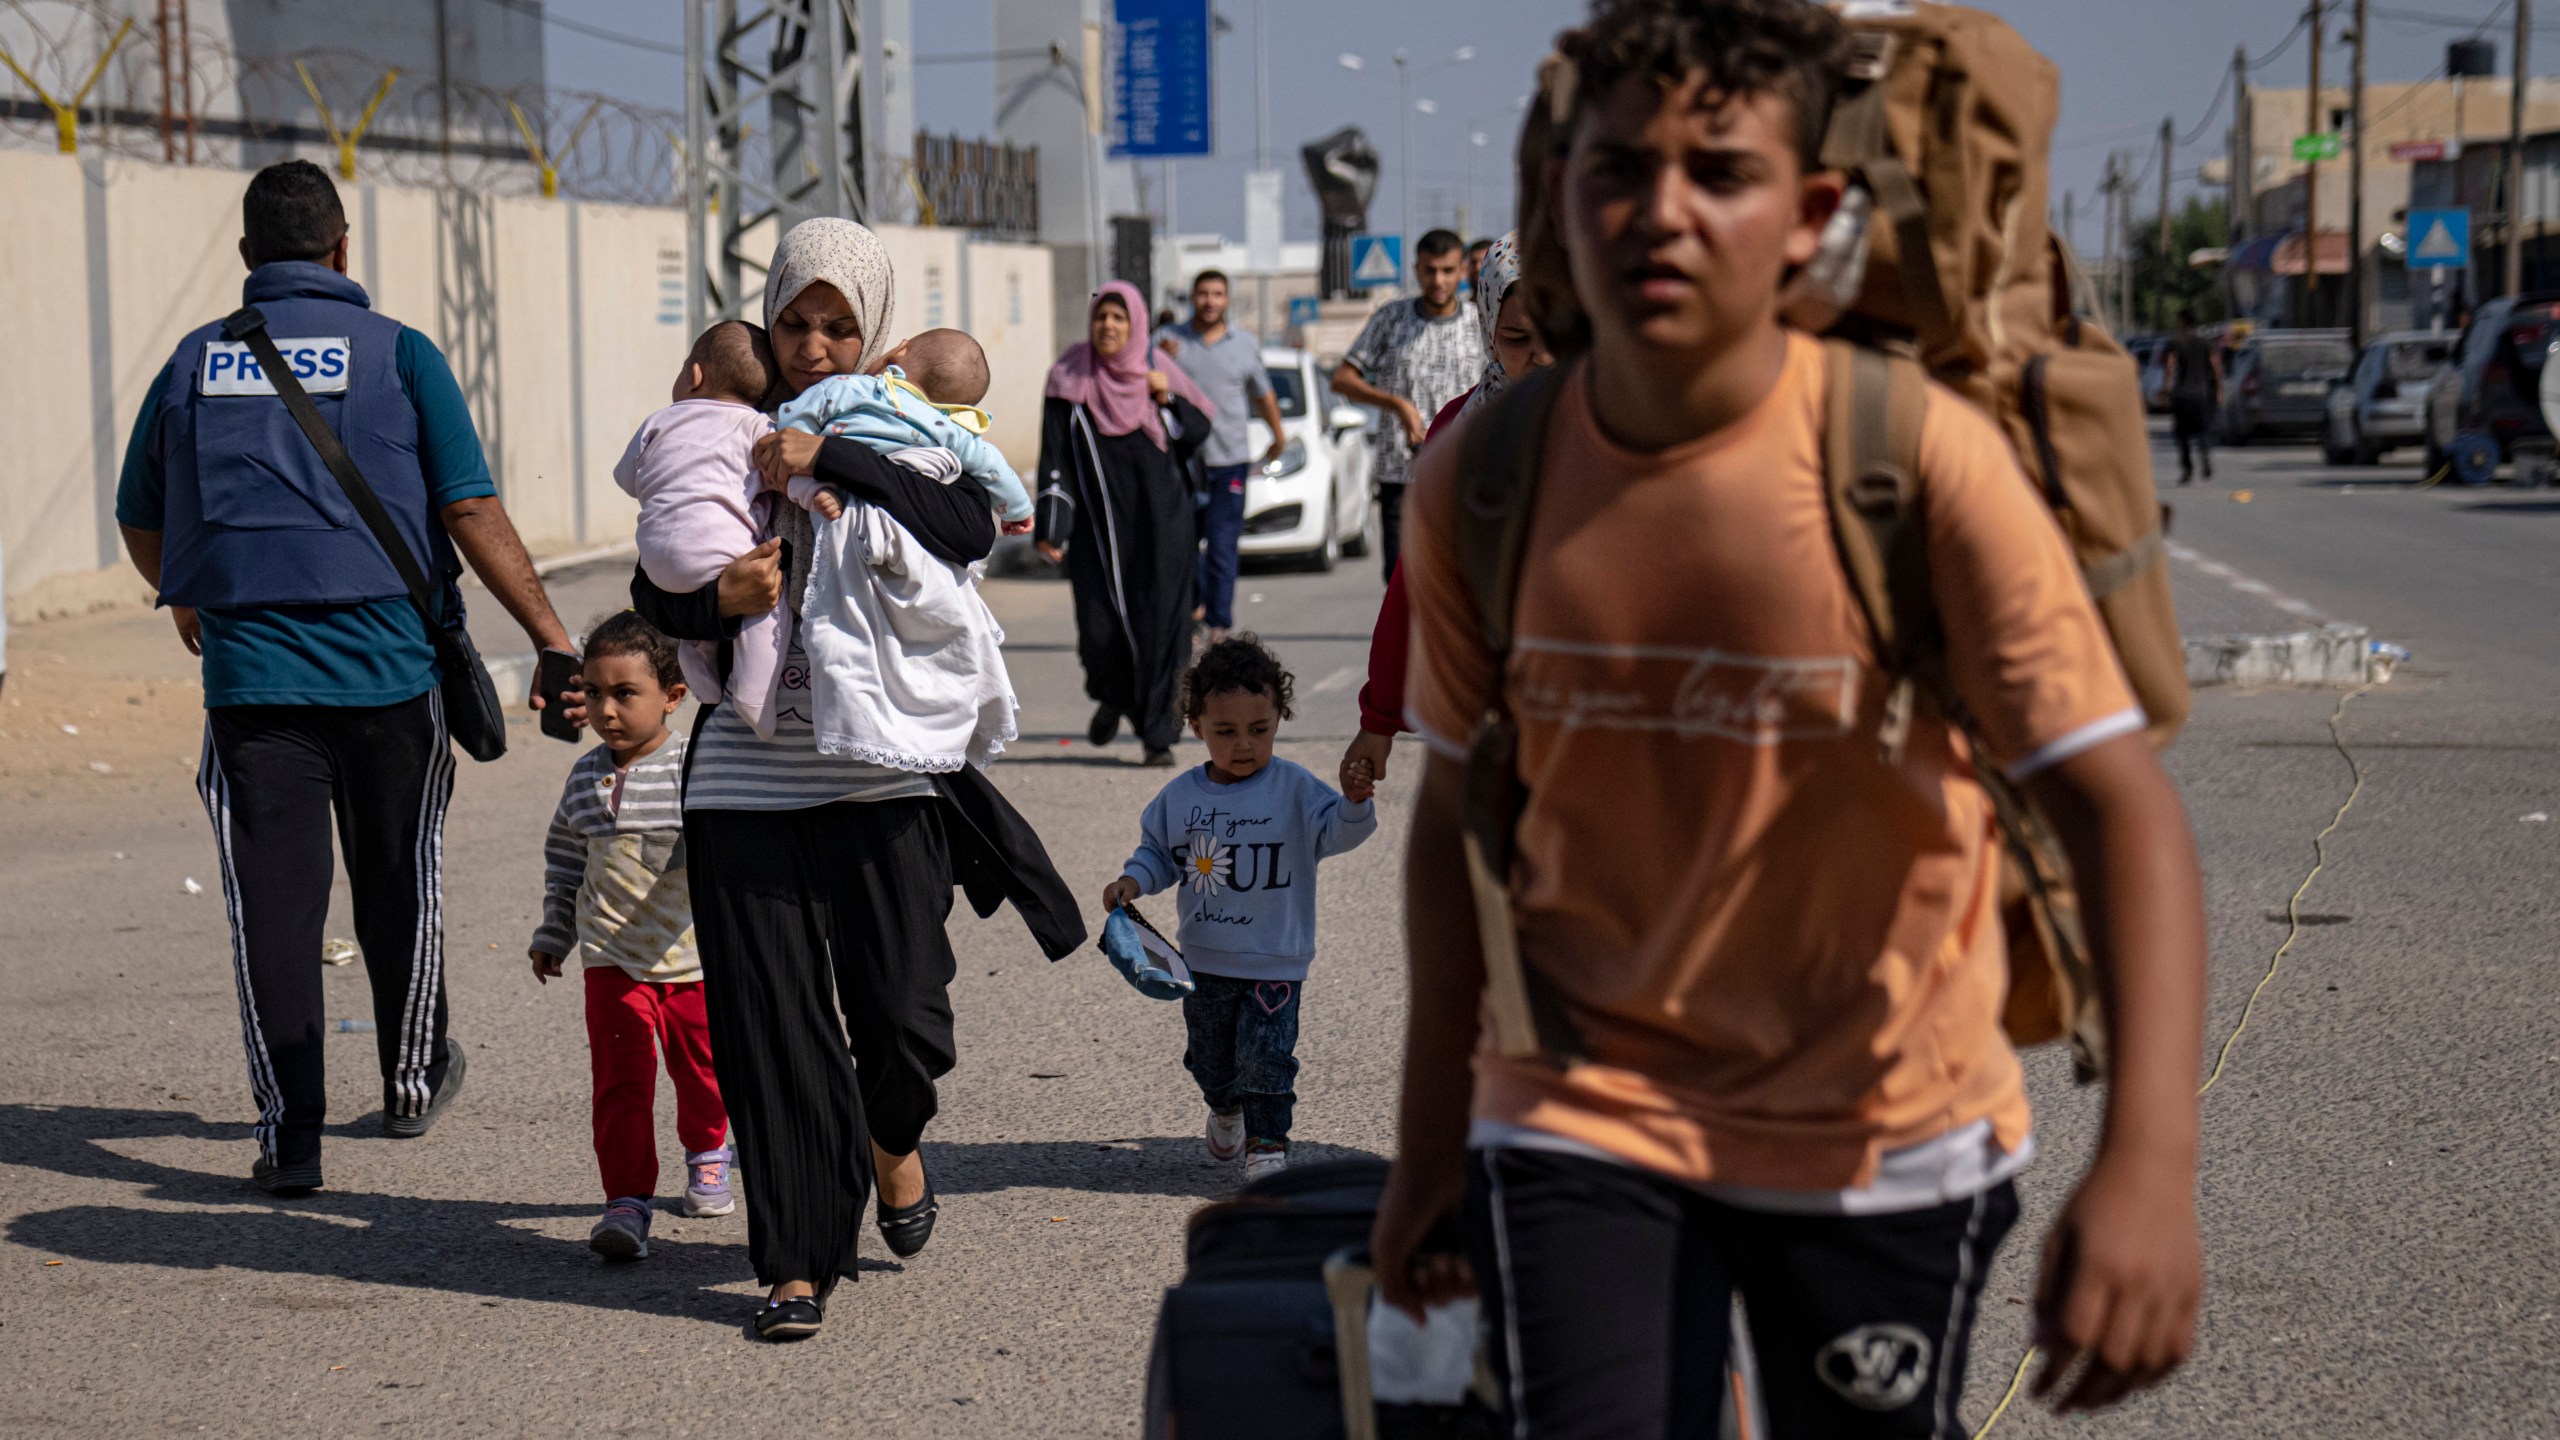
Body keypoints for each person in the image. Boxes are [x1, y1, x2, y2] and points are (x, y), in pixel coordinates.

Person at [1370, 3, 2208, 1434]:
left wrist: (2149, 1162)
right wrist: (1428, 1153)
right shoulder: (1487, 479)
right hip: (1583, 1112)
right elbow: (1456, 820)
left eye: (1724, 173)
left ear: (1812, 208)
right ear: (1558, 199)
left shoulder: (1916, 463)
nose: (1663, 213)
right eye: (1619, 169)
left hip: (1884, 1128)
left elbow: (2120, 808)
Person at [622, 217, 1083, 1341]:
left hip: (885, 782)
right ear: (766, 324)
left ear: (870, 330)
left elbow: (968, 524)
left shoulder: (898, 419)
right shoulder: (716, 427)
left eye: (837, 326)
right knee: (772, 1030)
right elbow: (657, 581)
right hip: (746, 784)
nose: (813, 346)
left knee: (904, 1018)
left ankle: (892, 1138)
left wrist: (826, 455)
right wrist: (711, 605)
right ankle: (793, 1259)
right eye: (794, 323)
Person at [114, 160, 573, 1197]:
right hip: (387, 677)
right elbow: (469, 510)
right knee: (399, 879)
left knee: (273, 912)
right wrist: (547, 632)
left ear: (246, 259)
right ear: (343, 250)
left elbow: (140, 516)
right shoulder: (403, 355)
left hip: (251, 688)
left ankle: (289, 1138)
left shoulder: (191, 364)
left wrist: (186, 589)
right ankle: (412, 1082)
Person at [1100, 637, 1377, 1183]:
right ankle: (1224, 1108)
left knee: (1267, 1060)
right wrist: (1133, 881)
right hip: (1204, 962)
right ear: (1196, 726)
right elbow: (1159, 853)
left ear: (1279, 719)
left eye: (1260, 730)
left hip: (1277, 961)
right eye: (1226, 732)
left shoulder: (1295, 788)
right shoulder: (1180, 798)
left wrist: (1355, 802)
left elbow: (1339, 832)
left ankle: (1268, 1146)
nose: (1244, 745)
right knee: (1211, 1062)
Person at [529, 612, 731, 1261]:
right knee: (620, 1082)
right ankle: (626, 1201)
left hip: (693, 960)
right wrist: (554, 932)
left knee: (703, 1073)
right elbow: (566, 862)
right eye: (593, 693)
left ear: (673, 697)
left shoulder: (693, 769)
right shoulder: (586, 780)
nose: (605, 710)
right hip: (612, 958)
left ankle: (706, 1151)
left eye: (624, 694)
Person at [1337, 231, 1550, 800]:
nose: (1542, 356)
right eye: (1517, 338)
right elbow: (1417, 583)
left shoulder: (1627, 425)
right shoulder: (1461, 431)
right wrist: (1377, 719)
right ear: (1489, 330)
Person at [1034, 282, 1216, 766]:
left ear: (1135, 326)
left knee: (1163, 628)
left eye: (1119, 319)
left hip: (1162, 528)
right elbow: (1054, 456)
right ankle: (1113, 695)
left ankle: (1159, 736)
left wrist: (1167, 398)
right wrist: (1052, 525)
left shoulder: (1157, 374)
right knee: (1098, 629)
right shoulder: (1069, 379)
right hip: (1098, 532)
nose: (1109, 326)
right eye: (1101, 318)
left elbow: (1198, 432)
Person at [1331, 228, 1487, 578]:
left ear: (1462, 271)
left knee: (1459, 578)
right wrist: (1397, 405)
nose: (1438, 280)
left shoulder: (1478, 322)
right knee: (1403, 578)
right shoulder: (1391, 318)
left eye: (1447, 271)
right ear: (1416, 269)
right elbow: (1343, 378)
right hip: (1401, 472)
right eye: (1430, 270)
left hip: (1461, 471)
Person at [776, 327, 1037, 532]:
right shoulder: (946, 427)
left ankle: (813, 492)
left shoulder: (853, 385)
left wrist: (793, 438)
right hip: (898, 504)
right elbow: (991, 466)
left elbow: (799, 416)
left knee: (800, 475)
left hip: (833, 473)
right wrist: (1017, 510)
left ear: (900, 352)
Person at [1158, 270, 1289, 643]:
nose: (1210, 301)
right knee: (1181, 545)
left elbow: (1263, 396)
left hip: (1229, 462)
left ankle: (1219, 624)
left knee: (1222, 545)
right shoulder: (1168, 341)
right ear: (1192, 297)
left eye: (1217, 294)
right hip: (1181, 464)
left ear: (1227, 299)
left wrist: (1278, 435)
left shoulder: (1244, 345)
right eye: (1203, 293)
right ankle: (1195, 603)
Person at [2163, 310, 2221, 484]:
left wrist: (2165, 388)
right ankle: (2205, 458)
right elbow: (2216, 366)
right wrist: (2218, 390)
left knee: (2182, 435)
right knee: (2203, 431)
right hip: (2201, 394)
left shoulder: (2176, 342)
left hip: (2182, 394)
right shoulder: (2205, 342)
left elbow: (2170, 366)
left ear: (2183, 322)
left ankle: (2187, 470)